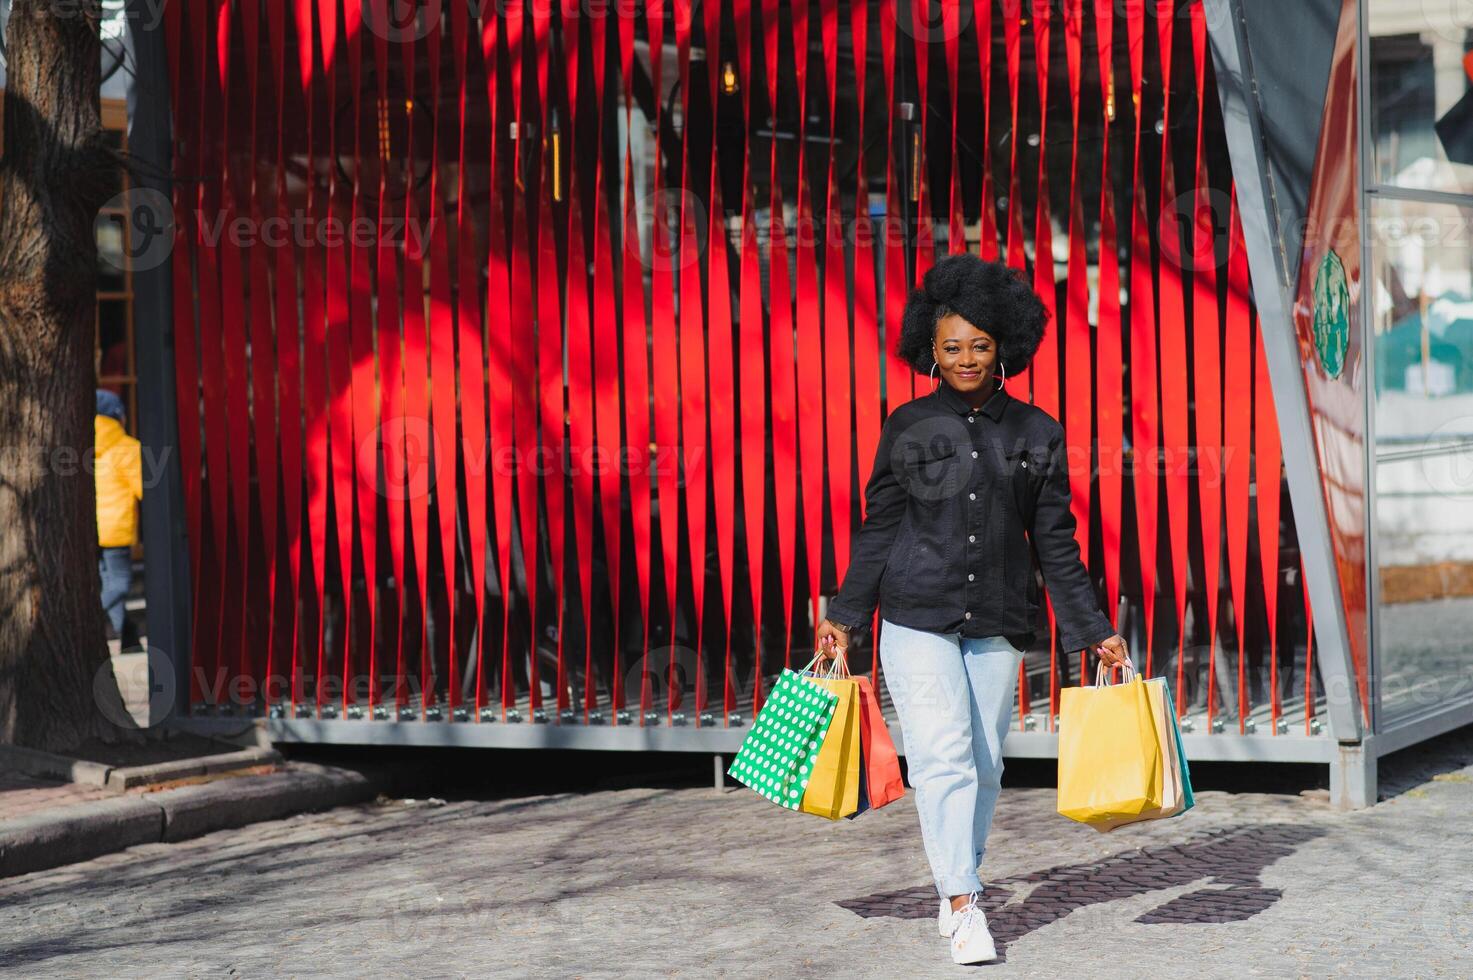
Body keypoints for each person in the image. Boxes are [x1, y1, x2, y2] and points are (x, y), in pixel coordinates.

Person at [817, 254, 1129, 965]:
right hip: (914, 614)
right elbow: (877, 528)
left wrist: (1092, 629)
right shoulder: (906, 424)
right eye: (951, 345)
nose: (965, 358)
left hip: (997, 618)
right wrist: (845, 612)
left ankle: (957, 875)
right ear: (929, 347)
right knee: (944, 756)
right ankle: (962, 902)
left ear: (1004, 349)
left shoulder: (1036, 431)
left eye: (979, 345)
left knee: (984, 764)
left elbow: (1055, 540)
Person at [95, 389, 142, 647]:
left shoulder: (83, 447)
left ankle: (129, 638)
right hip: (115, 530)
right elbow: (145, 488)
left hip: (92, 531)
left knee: (109, 582)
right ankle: (89, 613)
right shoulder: (128, 449)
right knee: (121, 585)